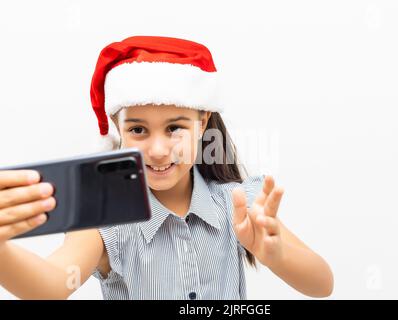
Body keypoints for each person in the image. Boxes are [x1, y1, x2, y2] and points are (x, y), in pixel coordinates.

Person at [0, 36, 333, 299]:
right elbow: (49, 286)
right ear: (118, 128)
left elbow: (323, 283)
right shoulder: (106, 222)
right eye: (138, 130)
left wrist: (275, 255)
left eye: (175, 128)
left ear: (202, 125)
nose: (158, 151)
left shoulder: (239, 204)